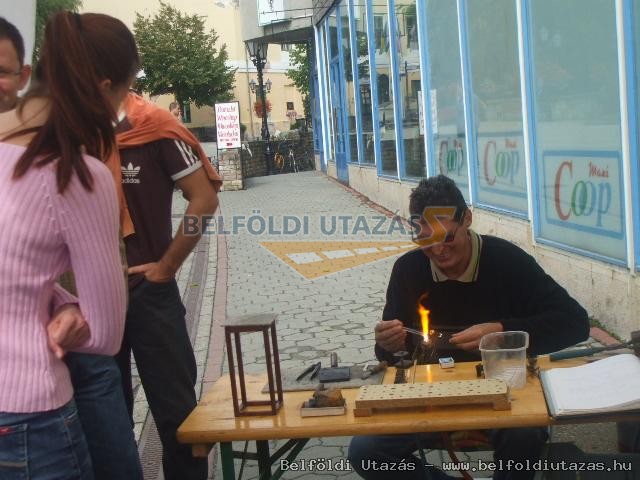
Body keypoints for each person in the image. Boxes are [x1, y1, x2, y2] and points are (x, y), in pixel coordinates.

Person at [348, 175, 590, 480]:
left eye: (447, 237)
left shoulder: (508, 262)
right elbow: (391, 353)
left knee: (524, 435)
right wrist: (388, 343)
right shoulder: (408, 270)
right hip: (428, 397)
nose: (437, 251)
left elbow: (575, 322)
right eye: (425, 240)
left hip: (502, 393)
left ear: (467, 220)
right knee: (366, 452)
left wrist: (501, 332)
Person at [0, 16, 143, 480]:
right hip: (28, 410)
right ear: (103, 88)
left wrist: (55, 297)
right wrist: (73, 309)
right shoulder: (75, 175)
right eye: (127, 90)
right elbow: (104, 334)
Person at [114, 91, 220, 480]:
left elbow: (204, 200)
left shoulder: (153, 125)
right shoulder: (67, 125)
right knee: (106, 422)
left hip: (148, 291)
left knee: (178, 416)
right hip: (89, 297)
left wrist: (168, 265)